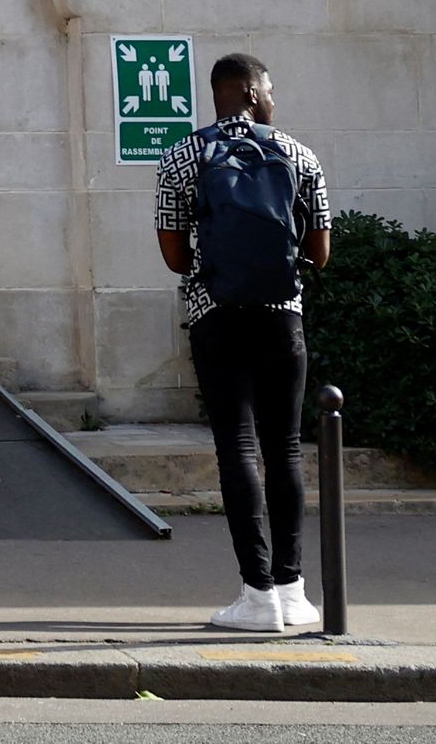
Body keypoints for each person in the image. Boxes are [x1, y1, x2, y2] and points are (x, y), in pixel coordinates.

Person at [153, 49, 333, 635]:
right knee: (284, 447)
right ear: (254, 93)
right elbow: (321, 252)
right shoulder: (300, 155)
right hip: (283, 315)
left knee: (237, 446)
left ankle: (256, 596)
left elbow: (175, 256)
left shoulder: (182, 156)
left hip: (216, 313)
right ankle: (293, 591)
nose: (275, 101)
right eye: (272, 90)